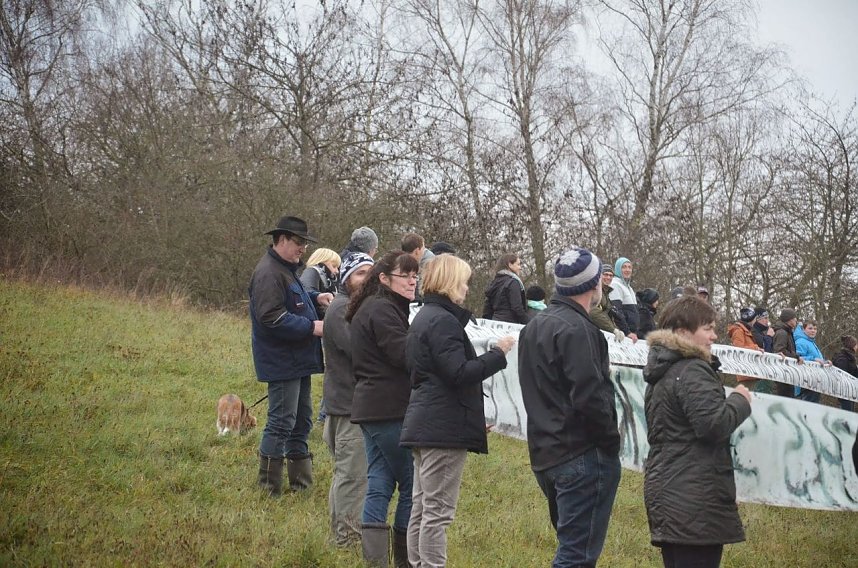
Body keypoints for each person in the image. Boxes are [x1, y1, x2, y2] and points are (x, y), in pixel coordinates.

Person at [401, 254, 517, 567]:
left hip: (427, 423)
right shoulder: (442, 321)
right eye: (464, 281)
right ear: (451, 283)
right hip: (442, 431)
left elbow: (434, 377)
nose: (467, 288)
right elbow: (459, 373)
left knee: (422, 508)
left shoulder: (425, 316)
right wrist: (497, 354)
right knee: (437, 512)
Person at [518, 246, 621, 568]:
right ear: (594, 286)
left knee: (571, 547)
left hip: (545, 453)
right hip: (580, 453)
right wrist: (610, 442)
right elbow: (591, 396)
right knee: (575, 556)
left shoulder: (534, 326)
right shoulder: (581, 331)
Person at [643, 295, 753, 568]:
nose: (714, 336)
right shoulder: (692, 370)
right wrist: (740, 400)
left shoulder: (664, 371)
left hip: (672, 492)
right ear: (682, 332)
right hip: (693, 500)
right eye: (707, 328)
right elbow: (713, 425)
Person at [250, 215, 333, 497]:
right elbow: (271, 317)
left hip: (297, 361)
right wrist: (312, 326)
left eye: (304, 244)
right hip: (282, 361)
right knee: (282, 422)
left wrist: (314, 299)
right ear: (282, 239)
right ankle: (268, 489)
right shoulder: (269, 273)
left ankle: (301, 486)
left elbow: (291, 301)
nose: (303, 249)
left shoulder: (286, 270)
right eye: (299, 242)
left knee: (301, 421)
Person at [347, 250, 420, 567]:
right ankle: (405, 561)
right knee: (412, 484)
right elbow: (404, 355)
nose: (412, 281)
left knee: (379, 482)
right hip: (389, 408)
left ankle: (375, 563)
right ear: (385, 279)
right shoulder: (383, 310)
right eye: (406, 275)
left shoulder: (376, 307)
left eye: (415, 275)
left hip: (371, 408)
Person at [322, 252, 375, 547]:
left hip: (347, 407)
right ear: (346, 278)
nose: (366, 279)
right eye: (359, 273)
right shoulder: (342, 309)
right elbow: (361, 352)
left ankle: (341, 538)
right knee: (353, 479)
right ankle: (347, 542)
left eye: (370, 272)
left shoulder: (353, 308)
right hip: (347, 410)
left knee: (346, 477)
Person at [482, 253, 528, 324]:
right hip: (510, 324)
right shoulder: (513, 282)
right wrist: (528, 323)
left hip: (495, 323)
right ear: (510, 265)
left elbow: (487, 308)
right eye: (518, 264)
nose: (520, 267)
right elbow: (517, 307)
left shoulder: (494, 282)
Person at [727, 307, 765, 390]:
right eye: (755, 318)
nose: (755, 321)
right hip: (745, 373)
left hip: (750, 372)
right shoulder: (738, 331)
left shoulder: (746, 330)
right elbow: (739, 349)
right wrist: (755, 348)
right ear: (752, 319)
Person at [793, 320, 831, 402]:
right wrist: (813, 359)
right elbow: (797, 358)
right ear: (803, 329)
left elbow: (817, 359)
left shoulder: (811, 342)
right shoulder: (800, 341)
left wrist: (825, 362)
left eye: (815, 329)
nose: (813, 331)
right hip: (805, 383)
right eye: (810, 328)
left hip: (814, 381)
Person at [591, 264, 626, 343]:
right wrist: (612, 329)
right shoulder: (594, 290)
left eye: (611, 275)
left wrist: (616, 329)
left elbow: (606, 316)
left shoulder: (605, 294)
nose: (608, 277)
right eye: (605, 274)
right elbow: (594, 313)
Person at [772, 308, 802, 397]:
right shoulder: (782, 333)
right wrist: (796, 356)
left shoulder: (787, 332)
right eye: (794, 318)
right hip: (782, 374)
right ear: (789, 319)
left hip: (787, 373)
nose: (796, 320)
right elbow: (780, 351)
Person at [609, 256, 639, 338]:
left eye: (629, 267)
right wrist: (627, 332)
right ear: (618, 269)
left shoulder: (629, 288)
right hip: (623, 334)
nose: (627, 270)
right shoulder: (615, 284)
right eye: (624, 267)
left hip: (632, 334)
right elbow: (617, 311)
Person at [833, 335, 857, 412]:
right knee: (846, 413)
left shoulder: (850, 357)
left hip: (851, 390)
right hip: (844, 391)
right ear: (852, 345)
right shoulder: (842, 357)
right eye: (856, 344)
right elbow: (842, 373)